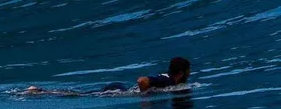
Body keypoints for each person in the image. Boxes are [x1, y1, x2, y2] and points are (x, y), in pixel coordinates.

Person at [24, 57, 192, 95]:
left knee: (83, 94)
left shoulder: (165, 76)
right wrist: (144, 100)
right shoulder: (168, 80)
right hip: (120, 91)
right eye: (189, 71)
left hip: (119, 87)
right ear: (182, 73)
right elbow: (142, 80)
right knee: (80, 95)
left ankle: (40, 90)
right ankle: (39, 91)